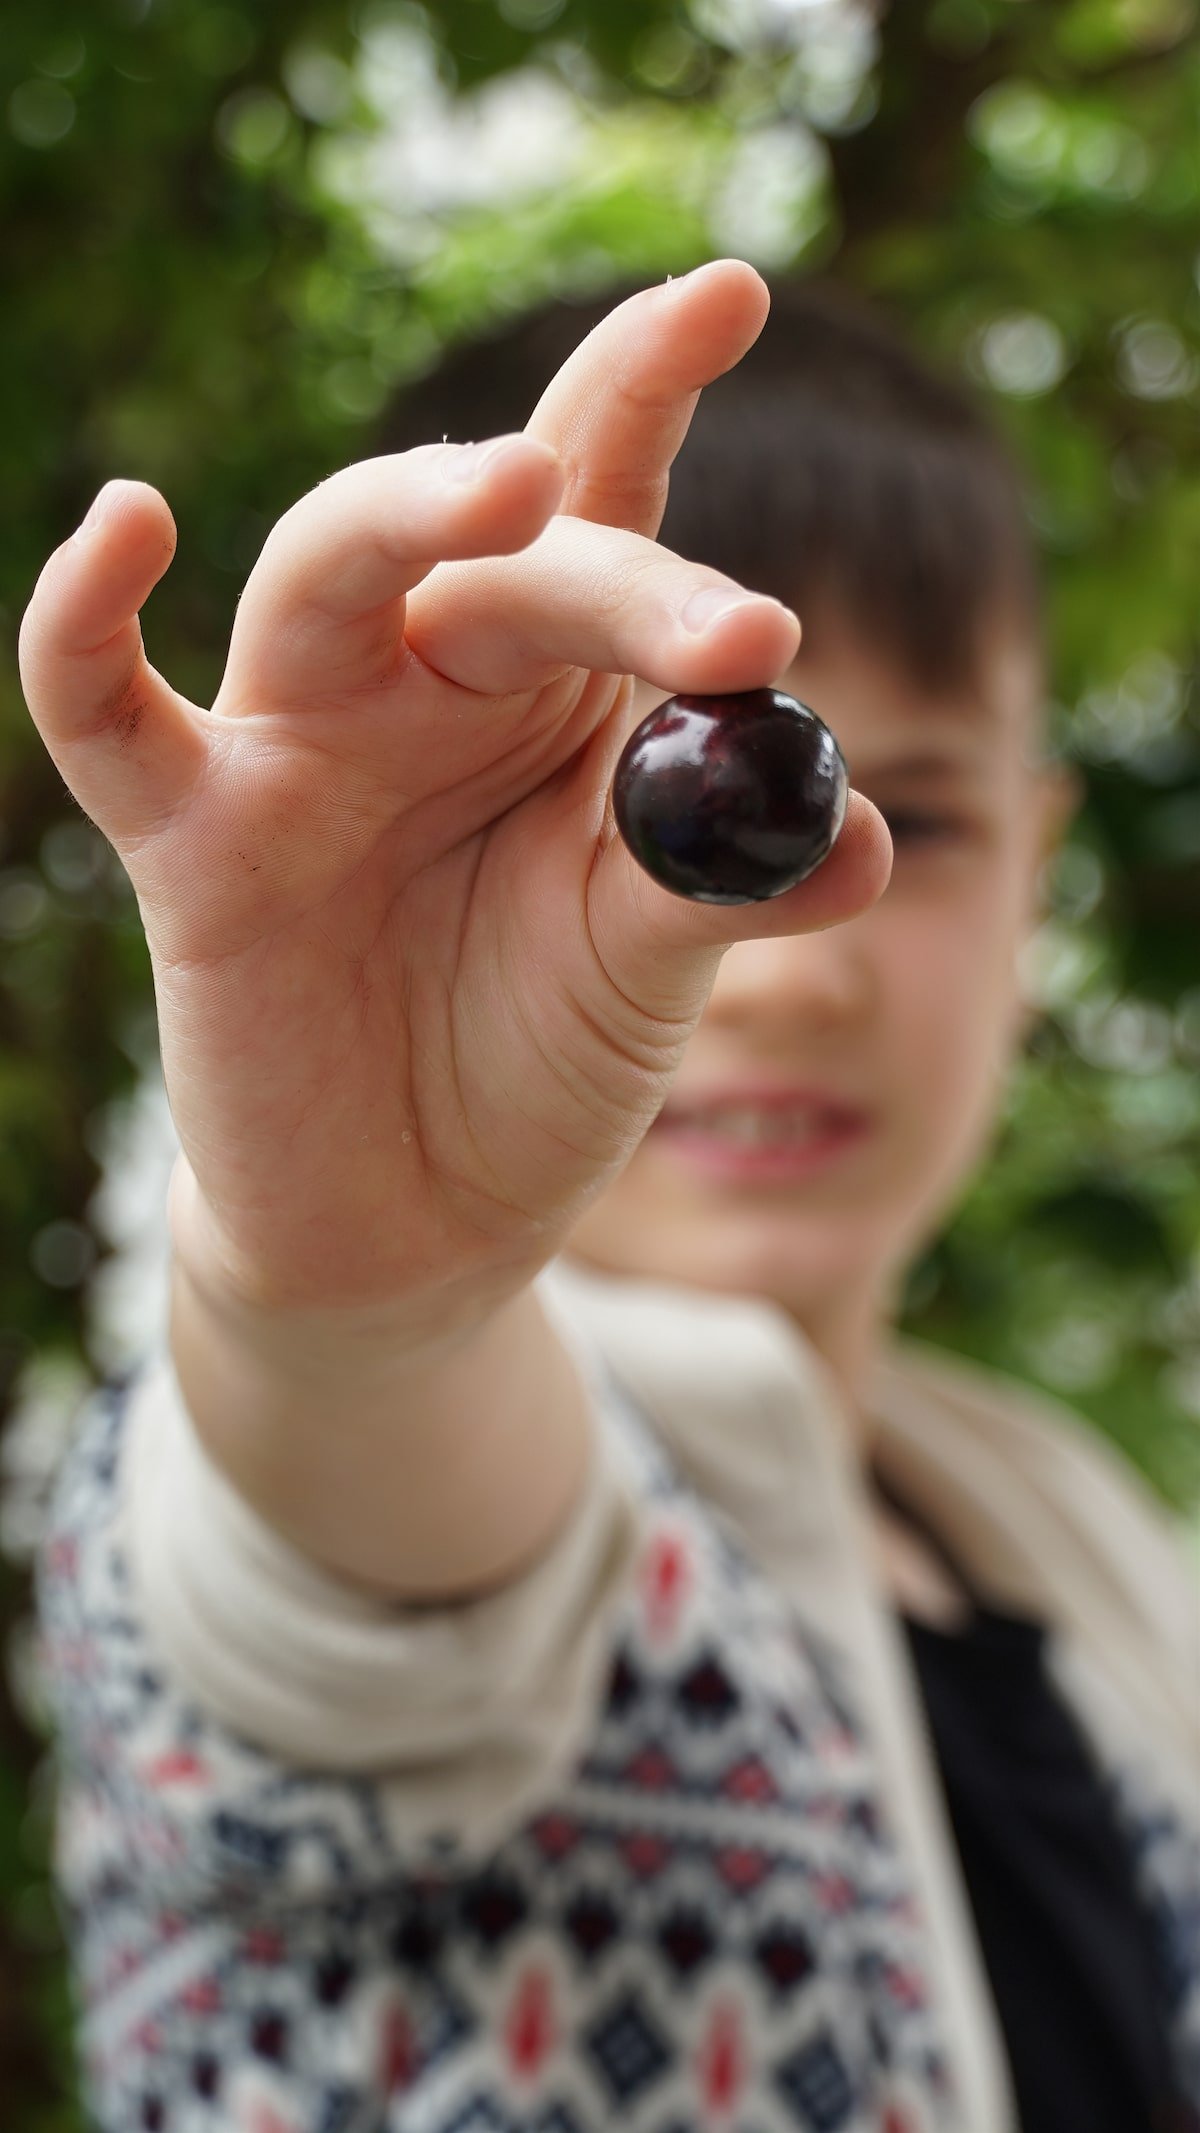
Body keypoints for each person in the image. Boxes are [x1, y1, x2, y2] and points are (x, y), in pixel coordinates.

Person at [19, 262, 1199, 2133]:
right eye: (625, 810)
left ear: (1042, 860)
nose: (803, 962)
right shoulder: (433, 1470)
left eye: (934, 819)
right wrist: (348, 1300)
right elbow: (327, 1524)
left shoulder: (1068, 1532)